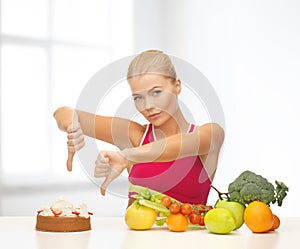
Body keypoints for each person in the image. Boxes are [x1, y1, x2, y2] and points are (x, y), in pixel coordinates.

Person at [53, 50, 224, 206]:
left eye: (156, 92)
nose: (148, 105)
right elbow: (63, 112)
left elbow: (184, 144)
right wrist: (72, 126)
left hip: (191, 240)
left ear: (177, 86)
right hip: (134, 239)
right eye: (138, 97)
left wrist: (127, 156)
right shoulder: (134, 136)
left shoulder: (211, 134)